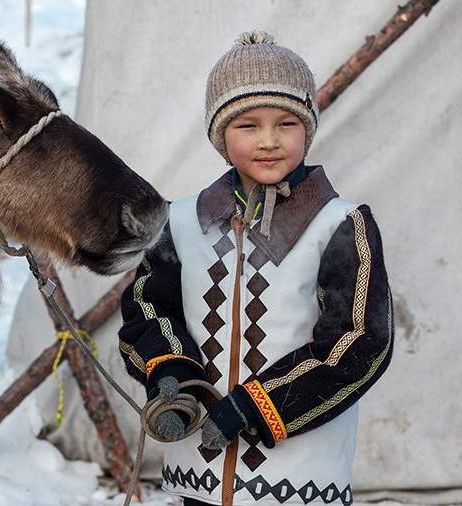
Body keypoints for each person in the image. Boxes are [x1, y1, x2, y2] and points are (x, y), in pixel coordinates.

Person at [118, 30, 394, 506]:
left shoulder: (340, 224)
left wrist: (253, 407)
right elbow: (148, 310)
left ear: (307, 129)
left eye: (286, 123)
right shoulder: (180, 222)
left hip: (299, 481)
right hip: (199, 478)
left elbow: (358, 341)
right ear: (220, 135)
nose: (269, 141)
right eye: (248, 126)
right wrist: (171, 372)